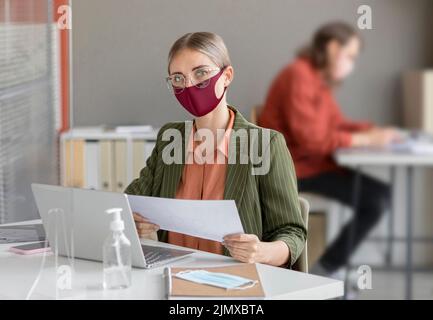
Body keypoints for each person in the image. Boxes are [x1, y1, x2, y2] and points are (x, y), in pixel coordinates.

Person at [124, 32, 306, 268]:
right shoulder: (171, 138)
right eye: (178, 78)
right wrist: (132, 220)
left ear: (227, 76)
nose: (189, 85)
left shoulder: (265, 144)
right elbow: (130, 202)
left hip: (235, 282)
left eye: (200, 73)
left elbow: (292, 233)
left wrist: (261, 251)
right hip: (171, 275)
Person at [258, 22, 398, 276]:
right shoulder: (298, 76)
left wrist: (370, 131)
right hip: (295, 171)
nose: (351, 64)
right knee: (376, 200)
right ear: (333, 48)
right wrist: (364, 140)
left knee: (382, 193)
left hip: (315, 165)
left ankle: (327, 269)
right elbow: (312, 140)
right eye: (350, 56)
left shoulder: (317, 80)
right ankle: (324, 272)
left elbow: (334, 124)